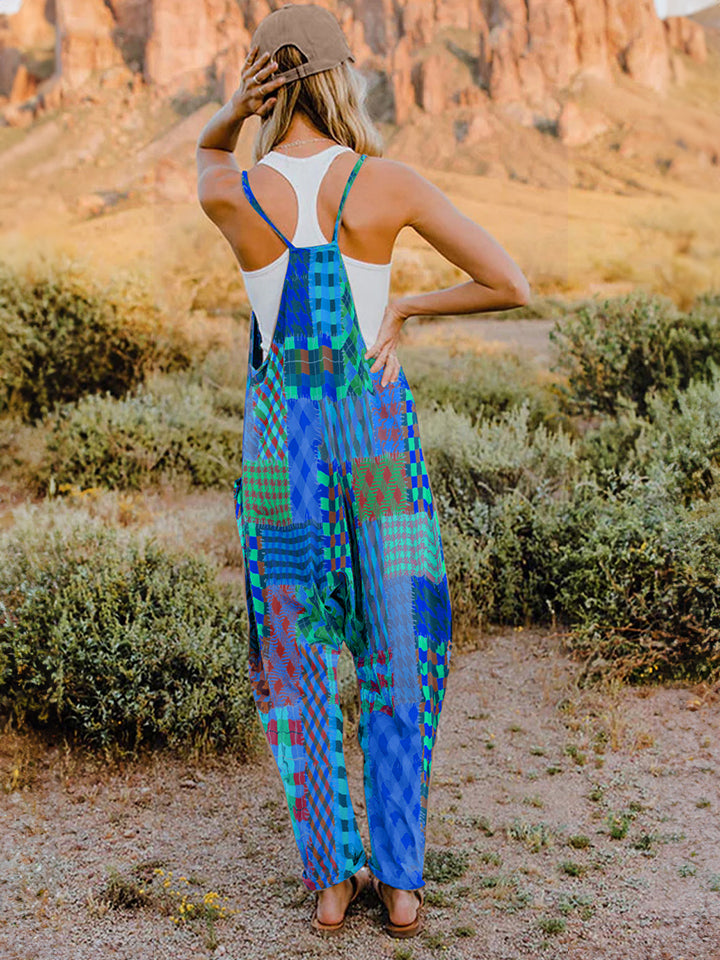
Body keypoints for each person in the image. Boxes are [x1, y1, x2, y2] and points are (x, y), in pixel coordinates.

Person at [195, 2, 530, 940]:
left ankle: (332, 881)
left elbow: (205, 161)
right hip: (376, 442)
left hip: (278, 451)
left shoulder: (234, 192)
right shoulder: (387, 184)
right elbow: (513, 282)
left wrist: (232, 111)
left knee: (292, 659)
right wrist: (409, 306)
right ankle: (404, 883)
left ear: (267, 85)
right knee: (399, 649)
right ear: (342, 78)